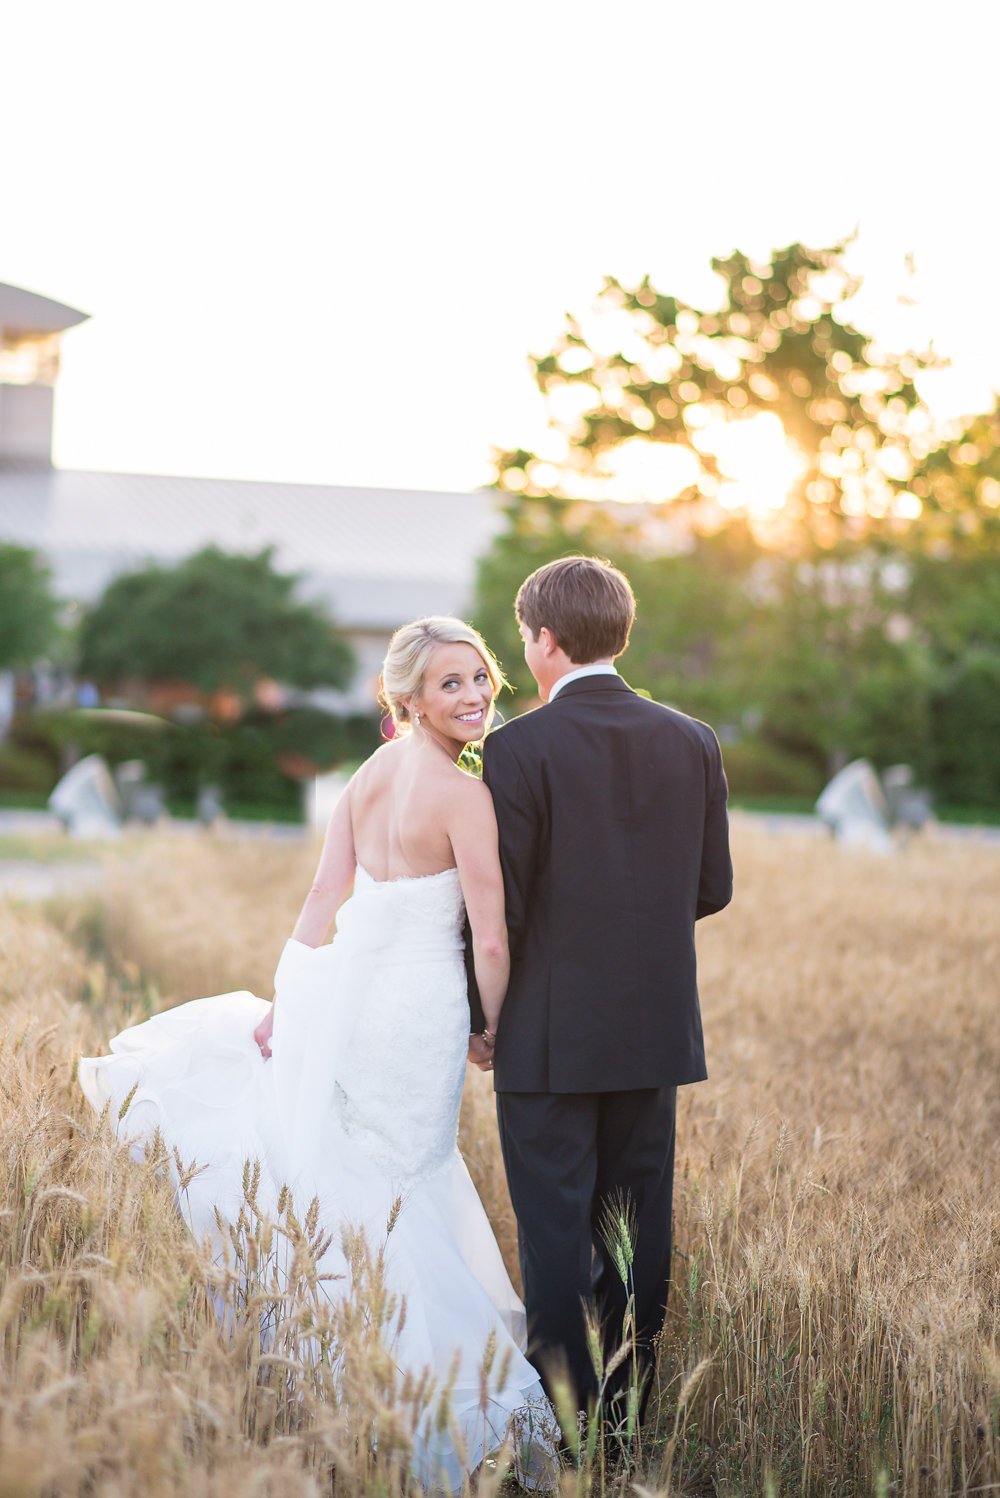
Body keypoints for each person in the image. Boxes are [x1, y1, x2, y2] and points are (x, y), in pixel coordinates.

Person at [78, 617, 555, 1491]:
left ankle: (339, 1355)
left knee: (361, 1166)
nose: (476, 695)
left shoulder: (370, 777)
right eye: (451, 684)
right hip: (417, 1011)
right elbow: (490, 938)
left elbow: (323, 893)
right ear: (407, 697)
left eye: (482, 677)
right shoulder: (463, 797)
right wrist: (498, 1027)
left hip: (350, 997)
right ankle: (419, 1390)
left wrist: (293, 994)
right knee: (405, 1174)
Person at [467, 556, 732, 1428]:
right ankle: (622, 1428)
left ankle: (569, 1433)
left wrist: (480, 1019)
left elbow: (496, 900)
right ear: (619, 634)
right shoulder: (692, 738)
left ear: (544, 641)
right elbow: (712, 888)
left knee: (553, 1241)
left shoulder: (515, 748)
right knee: (634, 1238)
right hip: (654, 1030)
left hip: (546, 1036)